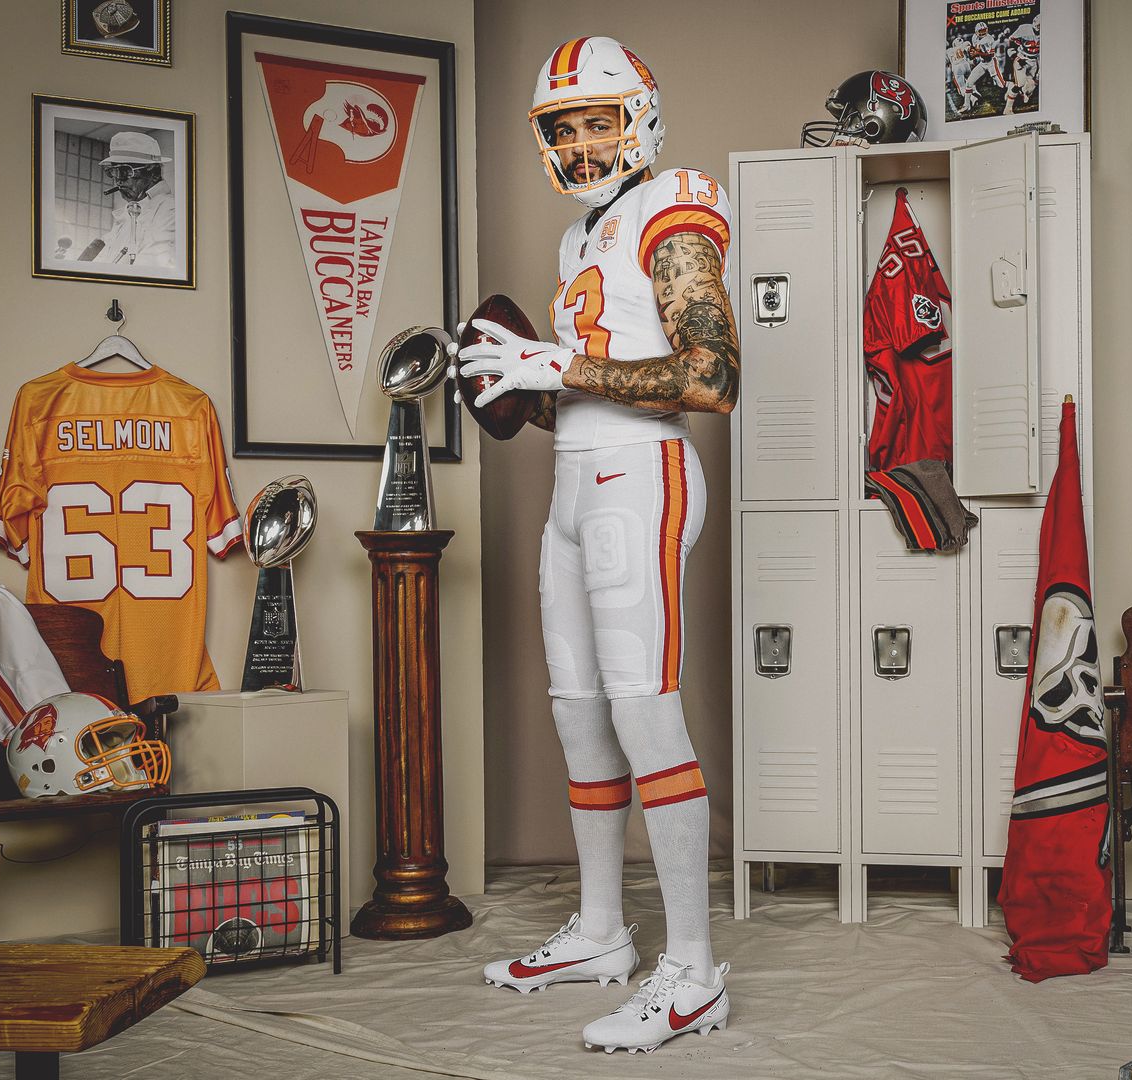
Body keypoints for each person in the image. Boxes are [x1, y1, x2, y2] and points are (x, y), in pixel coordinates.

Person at [455, 35, 737, 1055]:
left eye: (599, 121)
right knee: (578, 716)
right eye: (565, 128)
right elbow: (577, 390)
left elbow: (712, 376)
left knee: (644, 710)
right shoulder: (583, 239)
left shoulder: (676, 213)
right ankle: (603, 933)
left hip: (643, 478)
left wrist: (560, 364)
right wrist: (515, 382)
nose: (582, 143)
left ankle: (694, 971)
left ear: (641, 117)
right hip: (579, 481)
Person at [88, 131, 175, 269]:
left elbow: (153, 268)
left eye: (124, 171)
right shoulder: (128, 215)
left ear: (153, 173)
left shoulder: (171, 210)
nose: (118, 181)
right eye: (112, 172)